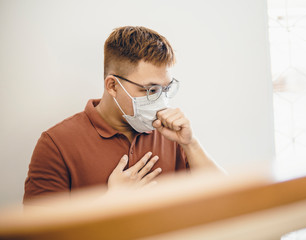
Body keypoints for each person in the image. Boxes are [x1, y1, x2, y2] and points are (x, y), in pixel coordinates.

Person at [23, 26, 222, 203]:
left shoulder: (172, 134)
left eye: (165, 89)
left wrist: (190, 143)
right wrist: (109, 203)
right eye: (150, 90)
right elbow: (39, 232)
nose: (162, 102)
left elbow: (224, 199)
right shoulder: (56, 144)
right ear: (112, 86)